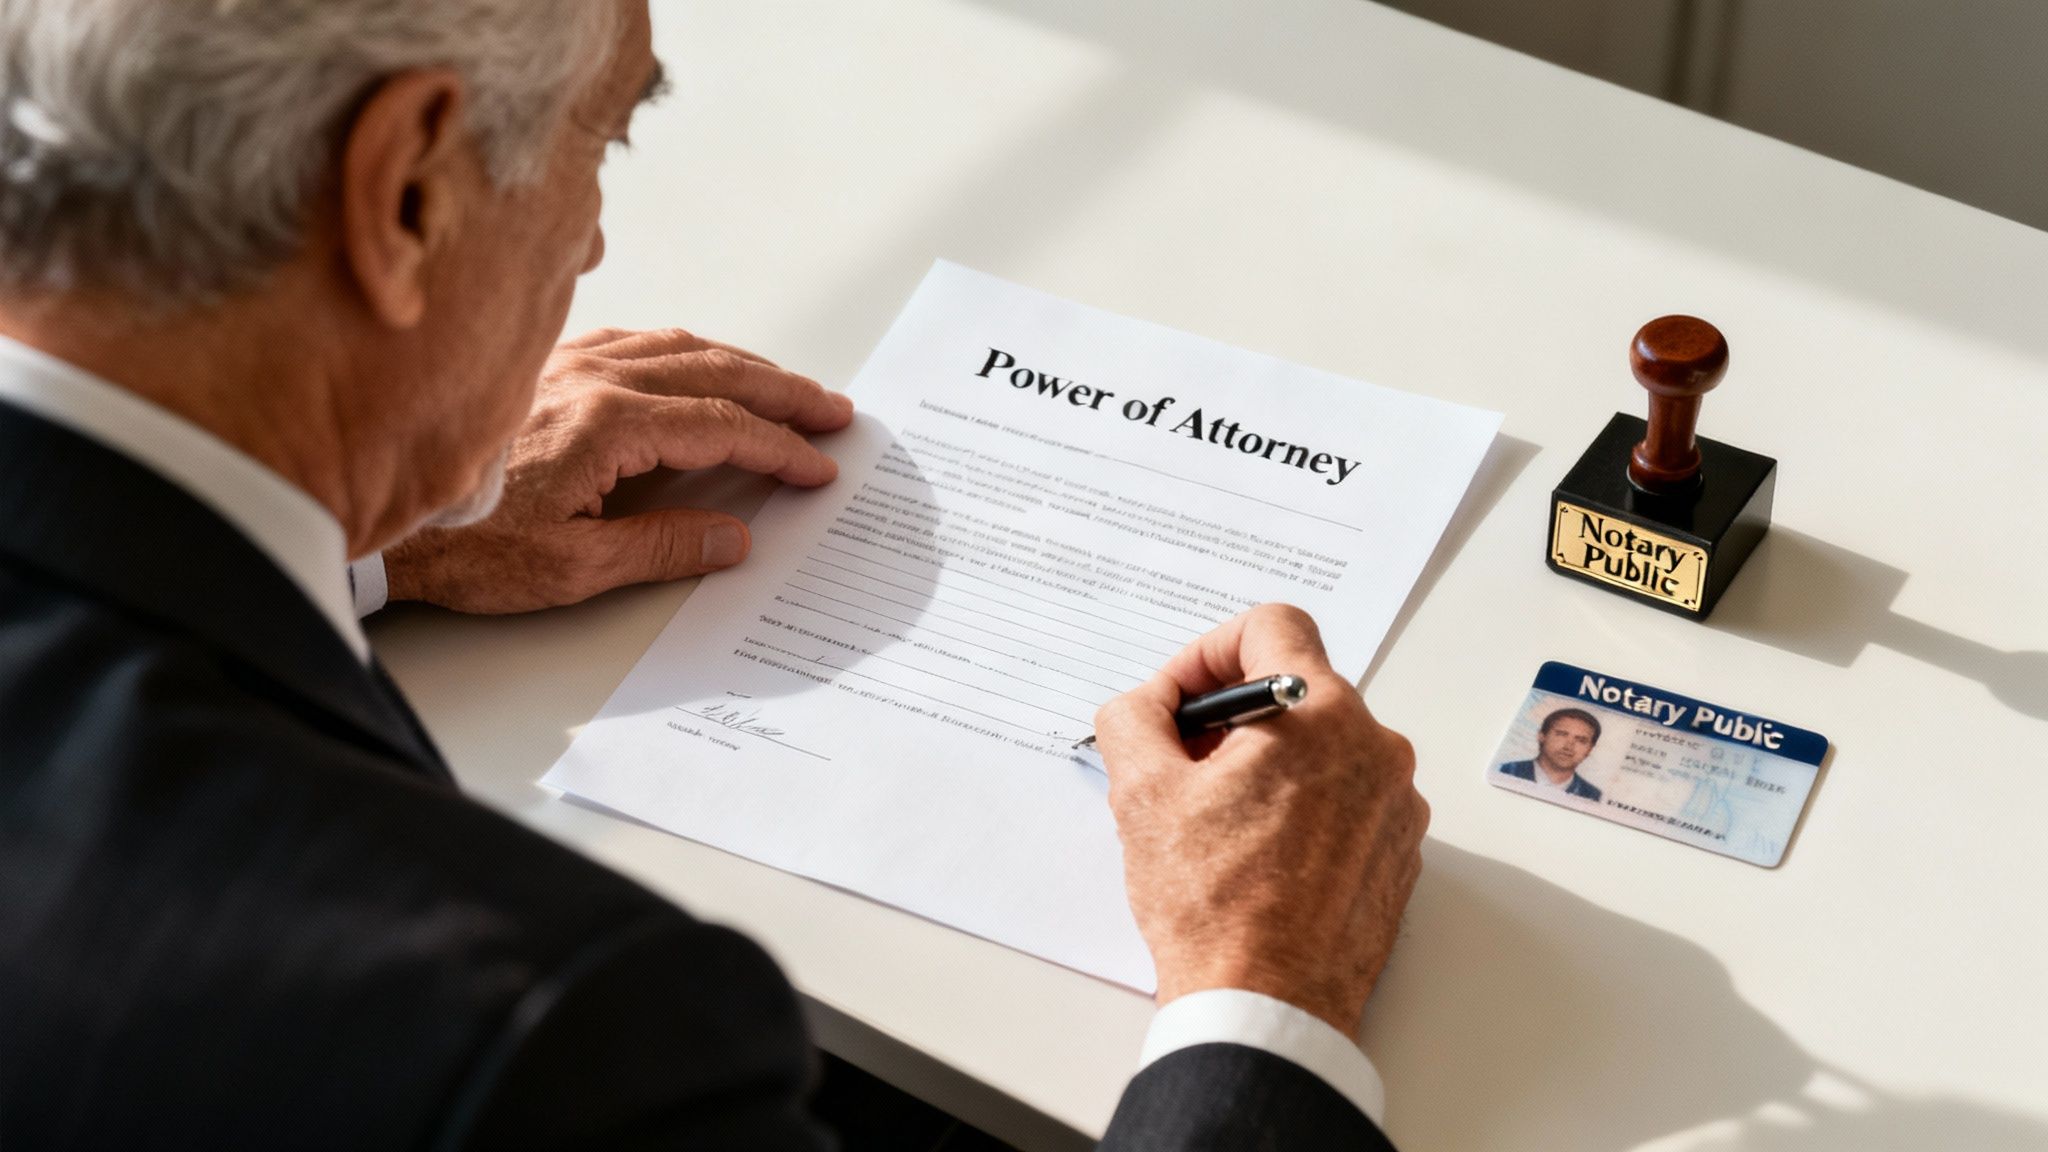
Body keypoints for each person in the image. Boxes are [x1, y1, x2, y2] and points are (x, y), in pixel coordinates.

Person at [0, 2, 1429, 1148]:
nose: (598, 239)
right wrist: (1263, 997)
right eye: (598, 140)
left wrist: (364, 501)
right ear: (408, 191)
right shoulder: (550, 1035)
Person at [1499, 707, 1605, 801]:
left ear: (1590, 749)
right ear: (1541, 736)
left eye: (1581, 740)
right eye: (1561, 734)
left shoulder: (1593, 796)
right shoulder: (1506, 770)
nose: (1568, 746)